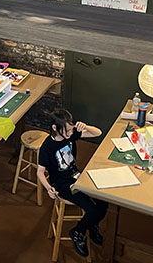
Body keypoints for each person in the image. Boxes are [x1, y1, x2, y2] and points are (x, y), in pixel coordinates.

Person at [36, 109, 106, 258]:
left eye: (71, 129)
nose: (70, 133)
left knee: (104, 200)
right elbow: (40, 172)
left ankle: (91, 224)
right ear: (55, 128)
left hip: (77, 177)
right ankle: (78, 232)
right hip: (62, 185)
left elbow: (97, 133)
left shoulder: (70, 134)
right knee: (93, 210)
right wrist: (48, 188)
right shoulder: (47, 147)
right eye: (66, 130)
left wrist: (85, 127)